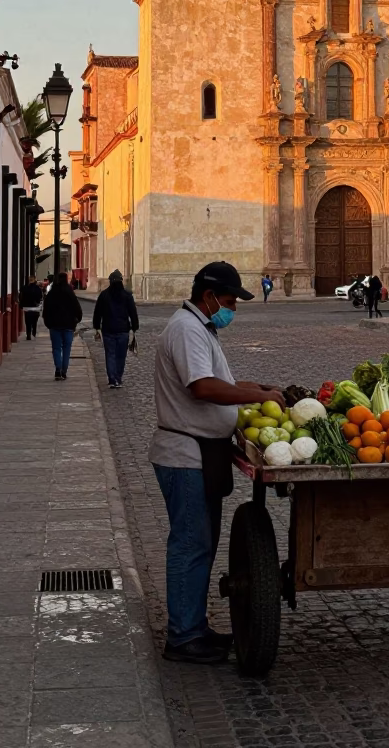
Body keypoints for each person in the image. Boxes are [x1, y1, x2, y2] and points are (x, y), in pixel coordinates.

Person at [148, 261, 285, 665]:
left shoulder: (198, 327)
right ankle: (183, 637)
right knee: (191, 545)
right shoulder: (187, 329)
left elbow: (219, 379)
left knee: (201, 544)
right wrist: (255, 399)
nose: (233, 310)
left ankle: (194, 626)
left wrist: (256, 387)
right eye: (228, 302)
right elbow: (203, 387)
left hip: (200, 454)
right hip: (185, 454)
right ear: (208, 297)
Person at [93, 269, 140, 389]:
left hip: (108, 330)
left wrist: (97, 326)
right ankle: (118, 377)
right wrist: (134, 327)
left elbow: (97, 312)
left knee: (110, 355)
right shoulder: (127, 295)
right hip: (123, 330)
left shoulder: (104, 295)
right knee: (121, 356)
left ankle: (112, 379)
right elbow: (132, 313)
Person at [42, 271, 82, 379]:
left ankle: (58, 369)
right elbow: (77, 308)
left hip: (54, 325)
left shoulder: (52, 293)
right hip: (68, 325)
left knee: (56, 348)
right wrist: (77, 320)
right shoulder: (70, 293)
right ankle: (64, 371)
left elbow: (46, 310)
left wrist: (48, 323)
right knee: (66, 348)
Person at [19, 275, 43, 340]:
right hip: (35, 308)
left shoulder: (24, 288)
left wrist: (21, 305)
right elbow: (40, 298)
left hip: (27, 307)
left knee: (27, 321)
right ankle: (34, 331)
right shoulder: (38, 289)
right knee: (34, 321)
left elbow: (21, 298)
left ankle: (28, 334)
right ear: (35, 280)